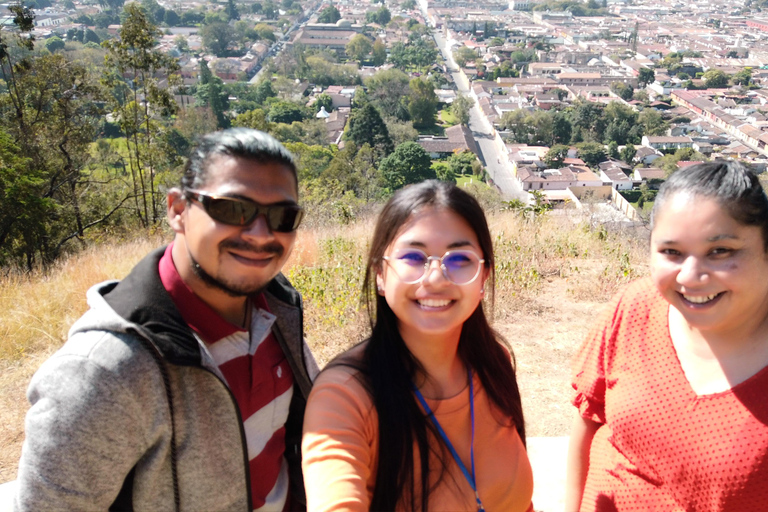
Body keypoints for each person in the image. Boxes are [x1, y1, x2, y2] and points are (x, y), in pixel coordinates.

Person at [14, 128, 319, 511]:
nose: (260, 233)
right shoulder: (103, 373)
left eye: (282, 216)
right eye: (232, 209)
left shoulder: (275, 310)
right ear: (178, 210)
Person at [302, 180, 533, 511]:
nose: (436, 278)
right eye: (413, 256)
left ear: (484, 277)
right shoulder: (345, 396)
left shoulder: (493, 364)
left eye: (460, 258)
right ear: (381, 274)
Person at [566, 160, 768, 511]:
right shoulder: (635, 307)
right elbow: (588, 425)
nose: (690, 276)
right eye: (671, 252)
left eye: (720, 251)